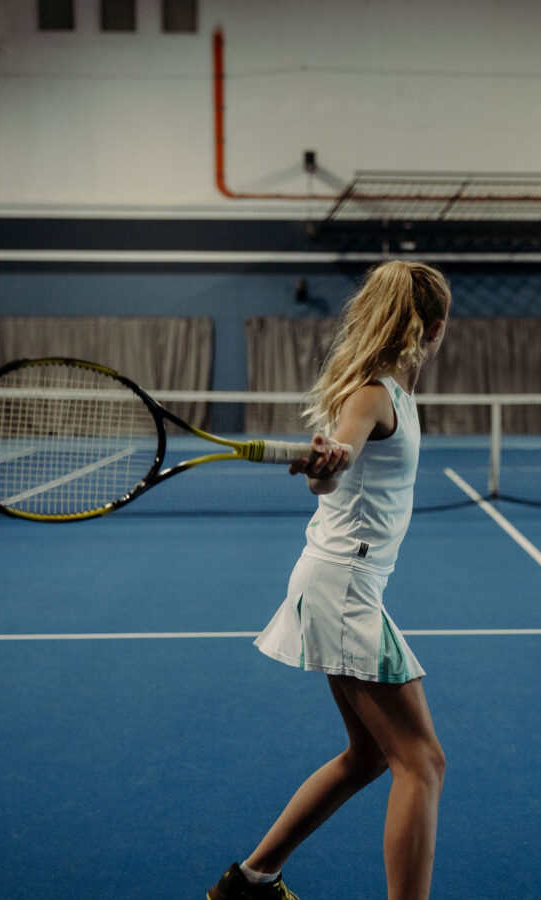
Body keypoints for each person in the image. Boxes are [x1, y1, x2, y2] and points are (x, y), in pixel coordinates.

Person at [208, 261, 451, 900]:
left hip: (338, 582)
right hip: (344, 587)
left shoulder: (394, 393)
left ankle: (251, 881)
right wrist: (327, 463)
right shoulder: (371, 394)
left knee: (372, 756)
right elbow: (329, 470)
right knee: (422, 763)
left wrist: (331, 464)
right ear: (435, 327)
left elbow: (339, 462)